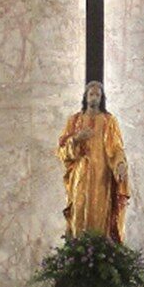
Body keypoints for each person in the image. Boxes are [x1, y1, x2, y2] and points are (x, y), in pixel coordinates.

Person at [57, 80, 131, 241]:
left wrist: (120, 164)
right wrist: (76, 138)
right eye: (91, 94)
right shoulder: (74, 121)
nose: (94, 98)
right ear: (85, 97)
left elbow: (117, 147)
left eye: (98, 94)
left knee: (99, 213)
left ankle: (99, 252)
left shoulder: (109, 121)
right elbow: (62, 151)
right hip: (80, 176)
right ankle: (78, 251)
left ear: (102, 98)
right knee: (79, 209)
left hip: (101, 177)